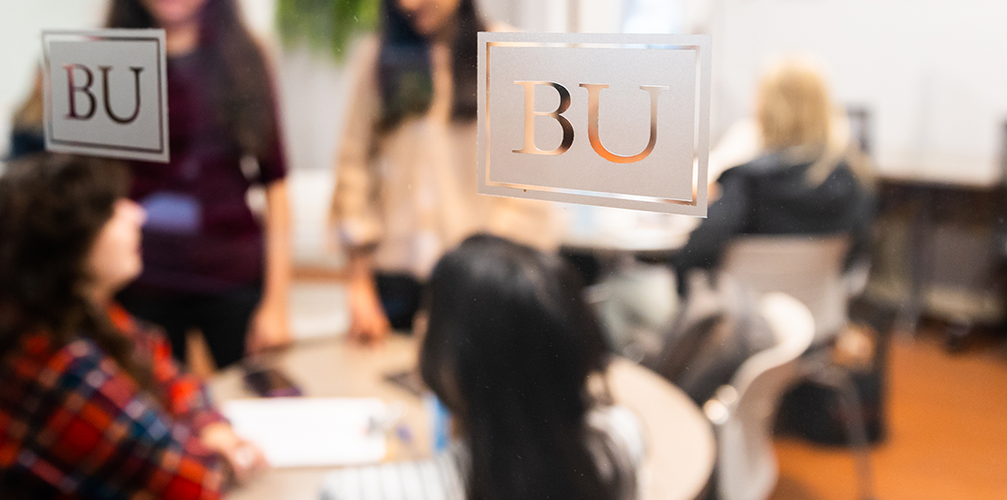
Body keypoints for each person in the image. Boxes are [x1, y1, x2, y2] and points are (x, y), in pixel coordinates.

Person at [0, 155, 264, 499]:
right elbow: (196, 483)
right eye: (111, 211)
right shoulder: (58, 362)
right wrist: (230, 455)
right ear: (69, 249)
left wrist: (209, 427)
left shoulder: (58, 315)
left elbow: (170, 377)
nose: (136, 214)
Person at [319, 235, 636, 500]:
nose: (419, 323)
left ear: (456, 365)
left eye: (431, 312)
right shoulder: (622, 443)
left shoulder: (357, 491)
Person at [331, 0, 559, 342]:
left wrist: (485, 273)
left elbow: (532, 185)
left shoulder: (507, 52)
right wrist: (359, 284)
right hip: (392, 281)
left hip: (478, 282)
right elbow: (353, 169)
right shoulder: (378, 57)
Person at [104, 0, 292, 369]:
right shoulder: (110, 61)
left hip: (232, 277)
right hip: (142, 281)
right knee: (156, 415)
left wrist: (277, 303)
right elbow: (95, 190)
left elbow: (277, 187)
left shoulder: (244, 57)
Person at [671, 56, 877, 295]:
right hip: (817, 314)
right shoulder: (855, 179)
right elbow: (853, 258)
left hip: (744, 322)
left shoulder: (747, 183)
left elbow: (692, 257)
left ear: (766, 107)